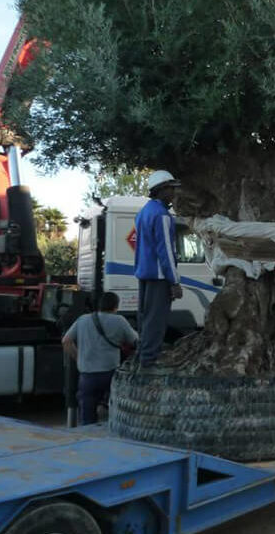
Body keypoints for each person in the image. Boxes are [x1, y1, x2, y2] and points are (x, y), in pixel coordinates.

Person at [62, 291, 138, 425]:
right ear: (115, 306)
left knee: (87, 418)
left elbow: (66, 341)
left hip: (87, 376)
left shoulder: (83, 319)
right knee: (116, 414)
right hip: (110, 375)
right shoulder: (119, 320)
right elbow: (135, 341)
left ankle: (88, 439)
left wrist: (78, 357)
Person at [134, 170, 184, 368]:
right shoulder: (162, 215)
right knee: (156, 320)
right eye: (171, 188)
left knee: (145, 319)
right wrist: (175, 281)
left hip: (144, 274)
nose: (173, 192)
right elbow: (166, 251)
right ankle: (149, 360)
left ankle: (142, 356)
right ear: (161, 190)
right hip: (159, 276)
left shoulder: (143, 212)